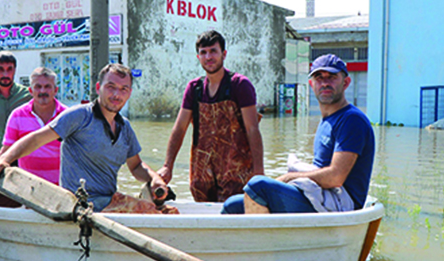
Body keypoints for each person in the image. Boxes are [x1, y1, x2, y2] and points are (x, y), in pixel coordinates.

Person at [0, 63, 176, 215]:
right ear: (99, 88)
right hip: (78, 205)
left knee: (166, 209)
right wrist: (4, 160)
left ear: (130, 93)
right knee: (155, 214)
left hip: (108, 200)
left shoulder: (124, 127)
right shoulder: (79, 116)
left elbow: (136, 167)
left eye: (123, 89)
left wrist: (155, 178)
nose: (116, 94)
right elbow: (36, 139)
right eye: (111, 87)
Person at [222, 54, 375, 215]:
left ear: (346, 83)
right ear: (311, 84)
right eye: (319, 78)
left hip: (340, 203)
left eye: (332, 77)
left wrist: (290, 177)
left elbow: (335, 178)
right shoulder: (327, 120)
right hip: (321, 195)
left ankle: (265, 239)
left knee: (257, 185)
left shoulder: (351, 120)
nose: (325, 83)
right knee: (232, 205)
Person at [157, 30, 264, 203]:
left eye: (213, 51)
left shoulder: (240, 85)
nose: (209, 57)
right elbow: (179, 129)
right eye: (203, 52)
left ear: (224, 54)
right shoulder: (194, 89)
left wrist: (259, 172)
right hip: (202, 177)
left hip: (236, 175)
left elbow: (252, 129)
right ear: (198, 57)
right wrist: (167, 166)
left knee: (232, 216)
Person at [1, 67, 68, 184]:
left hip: (61, 189)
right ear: (30, 91)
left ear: (55, 90)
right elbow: (7, 150)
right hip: (27, 189)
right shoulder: (17, 116)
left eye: (47, 86)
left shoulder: (67, 116)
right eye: (38, 87)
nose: (43, 91)